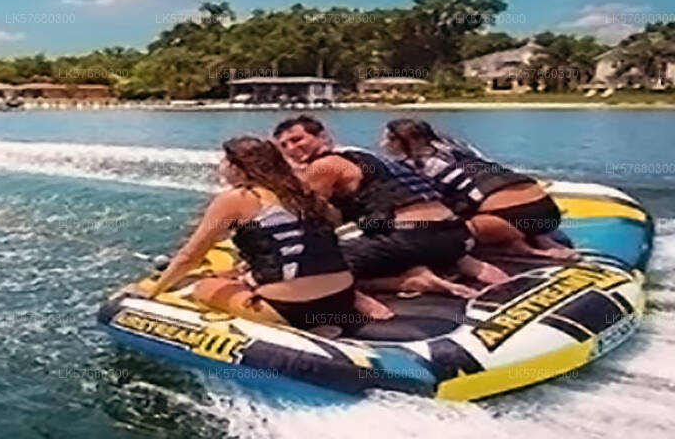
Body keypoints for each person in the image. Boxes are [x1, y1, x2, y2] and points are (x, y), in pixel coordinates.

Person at [273, 115, 507, 299]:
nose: (292, 148)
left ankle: (407, 281)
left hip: (413, 238)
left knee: (316, 270)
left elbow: (305, 216)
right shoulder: (361, 155)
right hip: (454, 232)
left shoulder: (324, 166)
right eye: (284, 146)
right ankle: (459, 263)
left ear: (322, 136)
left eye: (297, 140)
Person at [143, 136, 361, 333]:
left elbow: (190, 256)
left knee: (204, 288)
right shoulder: (305, 191)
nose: (221, 167)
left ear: (237, 168)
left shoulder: (238, 198)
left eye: (224, 161)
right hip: (341, 300)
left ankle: (297, 327)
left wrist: (152, 292)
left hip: (291, 308)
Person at [381, 118, 574, 259]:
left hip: (509, 218)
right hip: (547, 209)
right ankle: (543, 239)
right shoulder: (456, 147)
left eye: (387, 139)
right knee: (480, 198)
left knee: (444, 228)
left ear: (400, 142)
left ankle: (523, 248)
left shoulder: (411, 166)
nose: (382, 144)